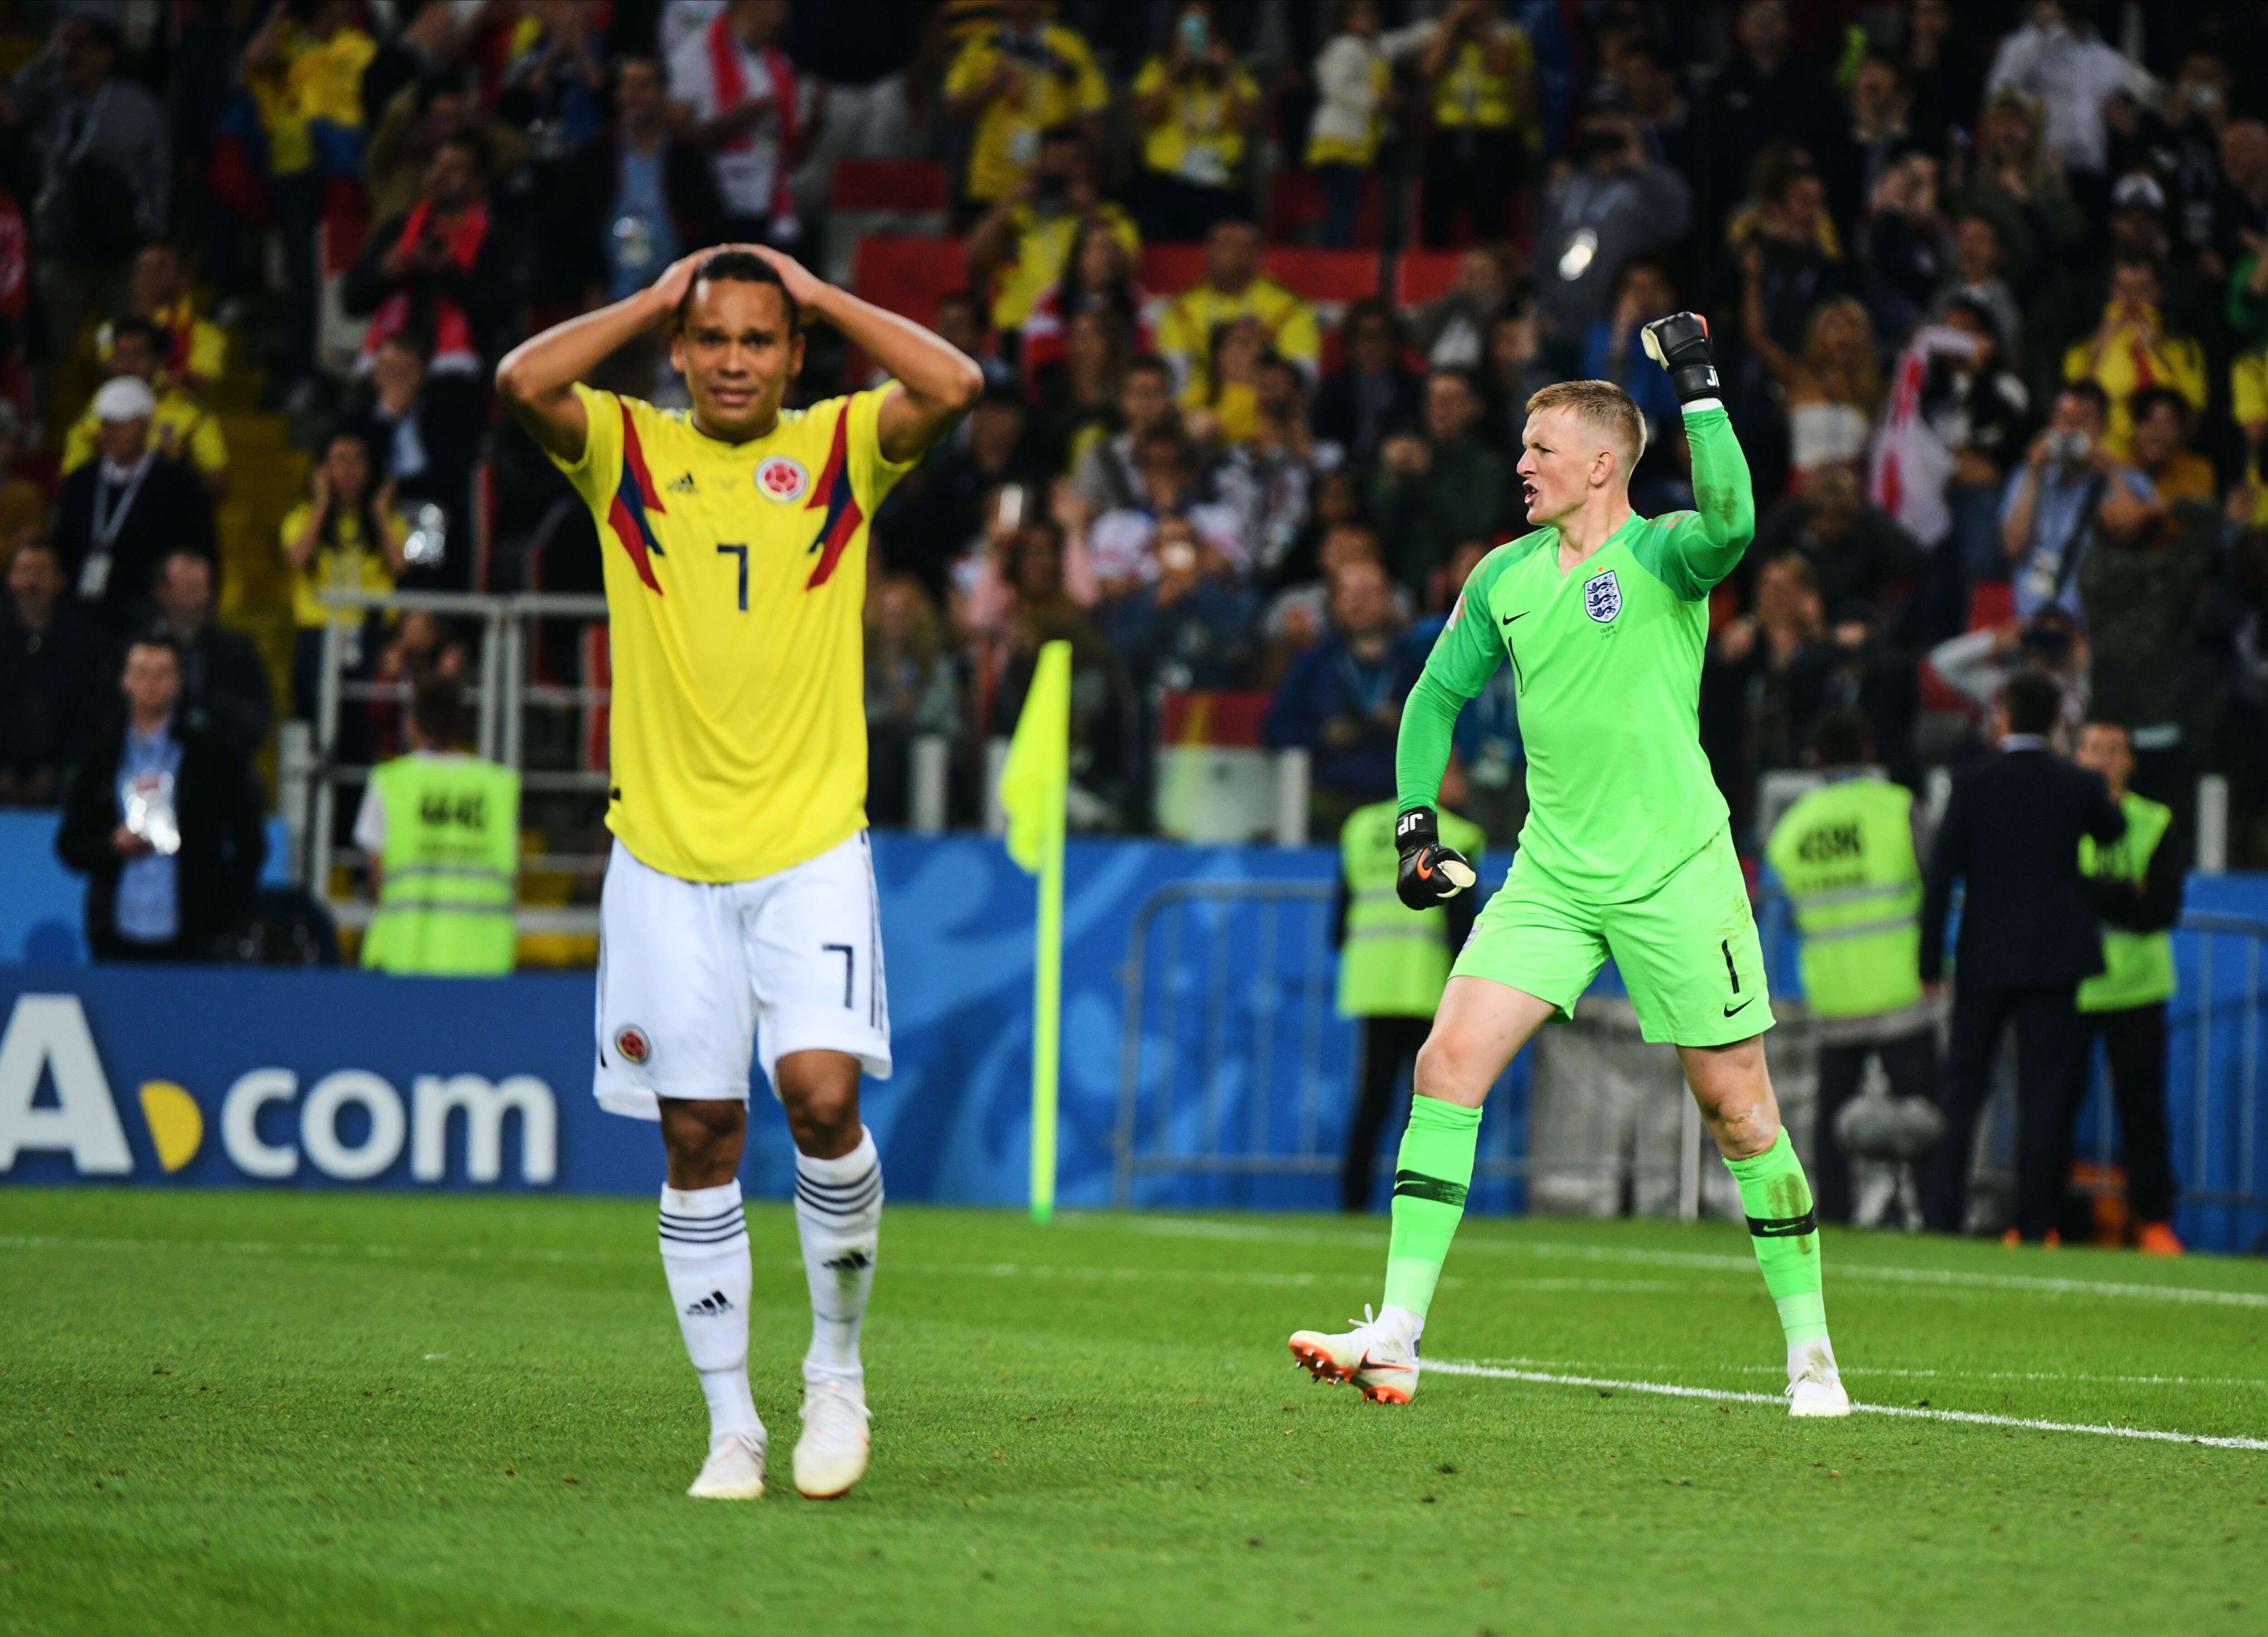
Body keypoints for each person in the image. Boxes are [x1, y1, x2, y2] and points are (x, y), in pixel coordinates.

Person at [1287, 323, 1857, 1419]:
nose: (1520, 463)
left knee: (1738, 1112)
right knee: (1445, 1062)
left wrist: (1698, 386)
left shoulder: (1664, 552)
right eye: (1520, 446)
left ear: (1602, 462)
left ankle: (1812, 1356)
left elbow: (1736, 521)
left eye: (1539, 446)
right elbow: (1432, 697)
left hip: (1677, 870)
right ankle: (1397, 1336)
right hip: (1551, 872)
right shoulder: (1501, 575)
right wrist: (1417, 827)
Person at [495, 244, 982, 1501]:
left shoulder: (838, 450)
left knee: (821, 1097)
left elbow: (958, 382)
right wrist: (651, 297)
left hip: (810, 845)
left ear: (793, 352)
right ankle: (731, 1428)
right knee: (699, 1135)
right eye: (712, 337)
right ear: (679, 346)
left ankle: (835, 1375)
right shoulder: (625, 450)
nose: (732, 360)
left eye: (760, 339)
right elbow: (517, 379)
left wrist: (823, 293)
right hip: (660, 859)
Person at [1921, 668, 2126, 1242]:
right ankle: (2035, 1224)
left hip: (1985, 955)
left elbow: (1941, 877)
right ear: (2059, 722)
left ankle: (1943, 1215)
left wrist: (1928, 962)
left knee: (1963, 1088)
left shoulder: (1972, 781)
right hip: (2053, 958)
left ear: (2003, 716)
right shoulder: (2076, 784)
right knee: (2043, 1092)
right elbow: (2110, 832)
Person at [1763, 708, 1937, 1226]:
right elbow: (1934, 882)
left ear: (1814, 760)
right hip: (1901, 991)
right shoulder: (1899, 808)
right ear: (1868, 754)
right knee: (1924, 1119)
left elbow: (1787, 911)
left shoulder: (1791, 829)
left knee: (1830, 1126)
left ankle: (1835, 1220)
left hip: (1834, 998)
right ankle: (1931, 1216)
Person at [55, 634, 265, 962]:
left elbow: (249, 841)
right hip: (116, 934)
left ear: (179, 681)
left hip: (194, 939)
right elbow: (70, 842)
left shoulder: (210, 757)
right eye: (141, 673)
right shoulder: (101, 758)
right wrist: (111, 844)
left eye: (162, 674)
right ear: (124, 681)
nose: (151, 684)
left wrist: (222, 913)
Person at [1334, 756, 1485, 1211]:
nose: (1464, 783)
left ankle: (1352, 1204)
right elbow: (1463, 932)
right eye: (1457, 772)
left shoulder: (1359, 826)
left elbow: (1338, 921)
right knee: (1423, 1106)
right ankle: (1413, 1205)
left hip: (1370, 982)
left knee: (1371, 1102)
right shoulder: (1458, 835)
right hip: (1427, 985)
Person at [2067, 718, 2185, 1255]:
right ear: (2076, 755)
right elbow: (2058, 897)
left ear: (2130, 761)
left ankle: (2154, 1221)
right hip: (2070, 985)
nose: (2102, 759)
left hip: (2136, 988)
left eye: (2114, 750)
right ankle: (2044, 1218)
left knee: (2142, 1113)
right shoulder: (2056, 816)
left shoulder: (2154, 820)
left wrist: (2087, 894)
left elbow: (2158, 909)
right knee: (2053, 1108)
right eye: (2092, 748)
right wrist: (2120, 892)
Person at [13, 15, 168, 415]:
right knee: (42, 347)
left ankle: (131, 431)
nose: (72, 54)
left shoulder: (139, 106)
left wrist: (154, 239)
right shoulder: (50, 96)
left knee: (129, 351)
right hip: (65, 249)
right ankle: (32, 431)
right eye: (68, 45)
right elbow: (14, 100)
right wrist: (48, 55)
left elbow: (159, 176)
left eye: (82, 45)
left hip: (123, 251)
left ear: (106, 54)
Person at [354, 675, 520, 977]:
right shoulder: (498, 786)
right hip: (483, 964)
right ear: (461, 723)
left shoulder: (390, 782)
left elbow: (376, 876)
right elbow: (512, 868)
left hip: (405, 958)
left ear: (412, 723)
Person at [343, 133, 525, 389]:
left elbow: (501, 310)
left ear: (478, 184)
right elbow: (352, 301)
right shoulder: (398, 230)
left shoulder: (496, 238)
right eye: (437, 164)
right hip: (387, 367)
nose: (442, 174)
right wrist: (385, 273)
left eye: (456, 168)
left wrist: (448, 272)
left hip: (460, 380)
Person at [1262, 556, 1426, 834]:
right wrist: (1323, 735)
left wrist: (1407, 726)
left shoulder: (1417, 662)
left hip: (1400, 806)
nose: (1357, 603)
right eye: (1347, 593)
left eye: (1368, 593)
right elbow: (1274, 729)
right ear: (1333, 603)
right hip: (1330, 806)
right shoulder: (1313, 664)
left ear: (1389, 599)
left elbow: (1453, 728)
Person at [554, 55, 725, 308]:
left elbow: (709, 227)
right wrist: (590, 285)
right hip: (607, 297)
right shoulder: (594, 156)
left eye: (644, 85)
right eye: (628, 84)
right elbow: (571, 227)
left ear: (663, 93)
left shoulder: (686, 157)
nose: (634, 94)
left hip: (672, 297)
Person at [55, 379, 218, 635]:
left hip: (148, 615)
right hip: (83, 611)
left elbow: (200, 553)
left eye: (121, 424)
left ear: (144, 425)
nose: (111, 432)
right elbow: (64, 544)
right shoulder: (81, 483)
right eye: (106, 424)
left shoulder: (179, 487)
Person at [282, 426, 409, 734]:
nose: (348, 470)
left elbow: (399, 566)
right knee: (315, 721)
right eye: (339, 460)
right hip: (318, 633)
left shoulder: (392, 521)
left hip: (370, 635)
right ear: (323, 468)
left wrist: (379, 513)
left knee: (362, 728)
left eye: (357, 460)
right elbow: (298, 558)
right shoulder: (301, 517)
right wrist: (323, 503)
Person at [665, 0, 817, 247]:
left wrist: (815, 123)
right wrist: (739, 119)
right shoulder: (693, 57)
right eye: (777, 8)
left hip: (769, 204)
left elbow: (791, 150)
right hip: (717, 207)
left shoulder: (778, 64)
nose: (784, 18)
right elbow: (679, 143)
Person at [966, 126, 1138, 338]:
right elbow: (975, 256)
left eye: (1072, 162)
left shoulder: (1112, 217)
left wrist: (1090, 214)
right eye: (1053, 162)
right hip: (1018, 327)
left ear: (1089, 167)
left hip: (1080, 331)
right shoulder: (1018, 215)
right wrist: (1013, 197)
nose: (1061, 171)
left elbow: (1130, 272)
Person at [1999, 381, 2149, 623]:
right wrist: (2035, 475)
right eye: (2064, 417)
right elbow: (2012, 547)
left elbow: (2129, 535)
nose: (2071, 429)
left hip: (2095, 628)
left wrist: (2112, 473)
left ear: (2103, 426)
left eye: (2084, 420)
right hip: (2033, 623)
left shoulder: (2129, 479)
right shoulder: (2027, 476)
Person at [940, 0, 1108, 211]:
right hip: (990, 185)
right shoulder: (982, 44)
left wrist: (1085, 181)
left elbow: (1092, 118)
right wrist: (991, 88)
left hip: (1050, 187)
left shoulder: (1070, 46)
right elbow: (950, 110)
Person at [1370, 368, 1512, 603]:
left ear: (1476, 408)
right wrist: (1391, 478)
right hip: (1398, 583)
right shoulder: (1409, 453)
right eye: (1432, 400)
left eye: (1450, 401)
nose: (1440, 410)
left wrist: (1428, 479)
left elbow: (1475, 527)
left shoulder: (1489, 465)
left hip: (1458, 585)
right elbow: (1382, 523)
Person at [1129, 3, 1259, 244]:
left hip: (1220, 178)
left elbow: (1246, 119)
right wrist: (1174, 69)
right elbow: (1143, 114)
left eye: (1204, 24)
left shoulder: (1234, 70)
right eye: (1190, 24)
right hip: (1166, 178)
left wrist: (1227, 71)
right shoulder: (1158, 66)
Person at [63, 317, 229, 495]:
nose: (127, 365)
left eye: (138, 356)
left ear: (158, 361)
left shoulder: (191, 414)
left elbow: (218, 481)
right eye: (121, 355)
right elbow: (72, 478)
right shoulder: (94, 411)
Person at [1414, 0, 1533, 249]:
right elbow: (1428, 69)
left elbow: (1524, 100)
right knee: (1437, 210)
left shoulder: (1512, 36)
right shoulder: (1444, 34)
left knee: (1490, 211)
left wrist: (1493, 44)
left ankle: (1491, 270)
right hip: (1450, 132)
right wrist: (1453, 23)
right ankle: (1435, 270)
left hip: (1494, 133)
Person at [1156, 219, 1320, 398]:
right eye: (1214, 244)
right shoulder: (1181, 310)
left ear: (1256, 256)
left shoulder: (1290, 308)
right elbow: (1172, 379)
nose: (1217, 252)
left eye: (1229, 244)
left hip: (1266, 407)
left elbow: (1303, 377)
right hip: (1198, 411)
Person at [0, 541, 106, 807]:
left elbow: (89, 717)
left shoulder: (84, 644)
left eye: (43, 571)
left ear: (61, 580)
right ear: (10, 580)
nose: (33, 581)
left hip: (62, 773)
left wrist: (54, 770)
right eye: (25, 570)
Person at [148, 548, 271, 766]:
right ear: (162, 593)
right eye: (191, 588)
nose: (203, 598)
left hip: (220, 768)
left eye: (208, 587)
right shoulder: (140, 651)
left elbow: (257, 720)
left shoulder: (236, 652)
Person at [1312, 299, 1422, 468]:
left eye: (1380, 337)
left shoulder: (1413, 390)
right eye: (1364, 338)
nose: (1372, 347)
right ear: (1351, 344)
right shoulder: (1333, 391)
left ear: (1394, 342)